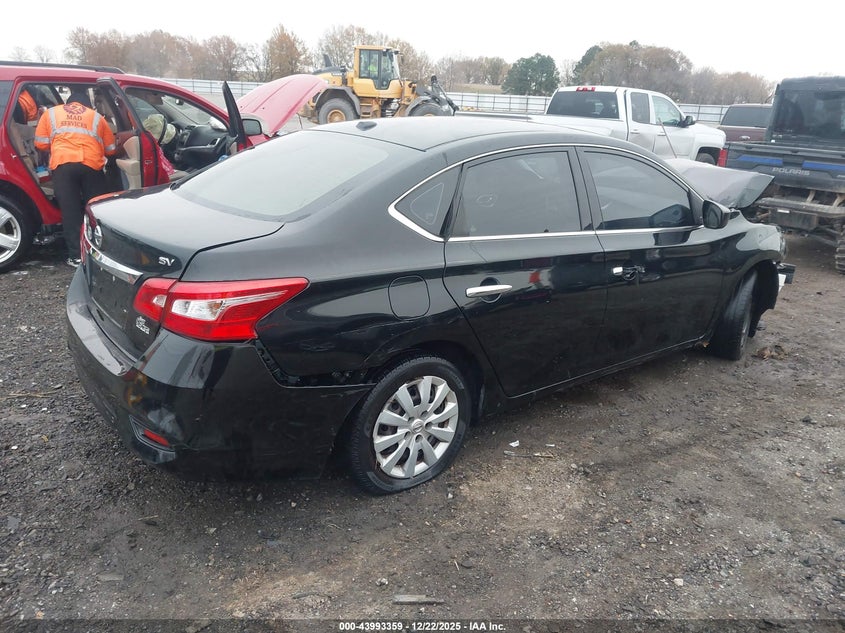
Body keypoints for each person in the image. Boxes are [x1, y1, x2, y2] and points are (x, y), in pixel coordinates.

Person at [34, 89, 116, 268]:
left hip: (63, 165)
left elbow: (40, 143)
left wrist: (58, 144)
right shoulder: (96, 117)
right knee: (96, 208)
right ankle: (101, 250)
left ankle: (76, 257)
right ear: (86, 105)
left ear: (68, 103)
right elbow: (111, 149)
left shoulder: (51, 113)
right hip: (91, 165)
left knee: (70, 211)